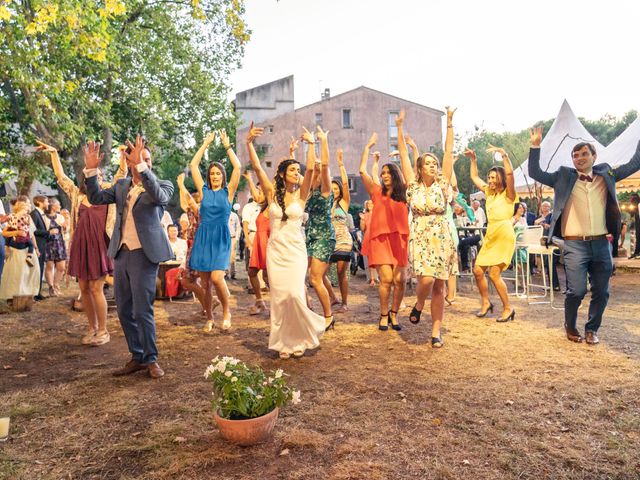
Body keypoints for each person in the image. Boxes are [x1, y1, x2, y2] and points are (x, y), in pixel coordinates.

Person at [528, 127, 640, 344]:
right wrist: (535, 146)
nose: (579, 158)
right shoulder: (563, 176)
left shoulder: (606, 173)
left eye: (584, 154)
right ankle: (570, 325)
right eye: (575, 155)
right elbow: (535, 173)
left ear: (594, 156)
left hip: (601, 243)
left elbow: (635, 163)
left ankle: (592, 329)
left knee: (602, 291)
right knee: (577, 290)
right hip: (574, 245)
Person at [84, 136, 174, 379]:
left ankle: (151, 359)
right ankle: (138, 357)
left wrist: (142, 167)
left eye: (148, 160)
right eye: (141, 159)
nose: (146, 163)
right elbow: (96, 198)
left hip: (145, 255)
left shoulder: (163, 185)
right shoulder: (122, 186)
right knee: (124, 309)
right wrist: (91, 170)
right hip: (121, 253)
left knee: (143, 309)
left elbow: (159, 198)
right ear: (129, 162)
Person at [246, 122, 325, 359]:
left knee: (294, 294)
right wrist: (248, 143)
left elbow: (311, 169)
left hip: (295, 251)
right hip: (275, 250)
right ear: (282, 174)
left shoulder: (302, 194)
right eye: (292, 170)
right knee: (279, 297)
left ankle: (300, 337)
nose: (296, 173)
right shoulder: (271, 192)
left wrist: (312, 144)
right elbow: (258, 167)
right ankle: (282, 343)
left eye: (297, 171)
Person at [37, 141, 122, 346]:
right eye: (95, 175)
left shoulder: (109, 193)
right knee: (83, 289)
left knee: (96, 288)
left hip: (99, 246)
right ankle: (91, 327)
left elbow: (121, 175)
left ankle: (103, 330)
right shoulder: (78, 195)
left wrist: (123, 156)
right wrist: (54, 154)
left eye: (101, 176)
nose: (99, 178)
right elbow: (61, 178)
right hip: (81, 245)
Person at [397, 108, 457, 347]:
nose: (433, 166)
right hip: (421, 236)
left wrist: (450, 122)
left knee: (440, 286)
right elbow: (402, 153)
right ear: (420, 168)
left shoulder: (443, 184)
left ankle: (435, 332)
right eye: (428, 163)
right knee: (427, 280)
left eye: (435, 163)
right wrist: (399, 127)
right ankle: (420, 303)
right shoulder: (412, 186)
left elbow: (449, 152)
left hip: (441, 236)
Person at [188, 130, 241, 332]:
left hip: (220, 238)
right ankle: (209, 317)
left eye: (218, 173)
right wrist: (205, 144)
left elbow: (237, 166)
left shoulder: (229, 192)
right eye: (212, 174)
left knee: (218, 278)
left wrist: (227, 146)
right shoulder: (205, 192)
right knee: (205, 284)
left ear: (223, 176)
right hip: (204, 237)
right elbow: (193, 165)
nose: (215, 176)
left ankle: (227, 311)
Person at [359, 132, 409, 332]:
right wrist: (367, 148)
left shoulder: (405, 192)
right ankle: (383, 314)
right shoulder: (376, 192)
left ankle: (394, 314)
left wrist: (406, 149)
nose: (384, 175)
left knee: (401, 280)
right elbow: (362, 171)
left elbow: (408, 172)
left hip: (399, 240)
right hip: (380, 240)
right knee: (386, 279)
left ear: (395, 175)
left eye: (388, 172)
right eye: (382, 173)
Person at [466, 144, 518, 323]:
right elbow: (474, 176)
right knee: (478, 271)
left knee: (494, 274)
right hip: (491, 234)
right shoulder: (489, 193)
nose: (490, 179)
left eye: (494, 177)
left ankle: (507, 308)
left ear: (501, 178)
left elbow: (511, 175)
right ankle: (486, 302)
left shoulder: (509, 195)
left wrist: (504, 156)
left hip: (504, 233)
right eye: (489, 177)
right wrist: (473, 160)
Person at [302, 126, 336, 330]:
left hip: (324, 237)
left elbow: (325, 165)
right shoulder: (307, 191)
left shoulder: (325, 189)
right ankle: (306, 310)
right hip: (309, 237)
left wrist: (321, 141)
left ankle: (328, 316)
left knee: (315, 278)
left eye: (316, 169)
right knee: (301, 276)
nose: (315, 170)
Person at [324, 148, 352, 313]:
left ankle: (344, 302)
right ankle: (333, 297)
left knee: (341, 272)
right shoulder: (326, 204)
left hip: (343, 241)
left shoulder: (344, 203)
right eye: (332, 188)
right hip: (328, 240)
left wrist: (341, 164)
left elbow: (346, 184)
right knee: (318, 273)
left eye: (336, 189)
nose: (334, 191)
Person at [0, 197, 42, 302]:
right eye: (25, 206)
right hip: (15, 249)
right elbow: (5, 232)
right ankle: (13, 296)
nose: (27, 209)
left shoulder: (28, 217)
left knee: (32, 272)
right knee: (16, 274)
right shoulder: (13, 218)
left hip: (27, 248)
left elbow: (31, 235)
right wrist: (16, 233)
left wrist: (36, 248)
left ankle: (28, 295)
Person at [243, 171, 270, 315]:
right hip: (259, 240)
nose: (258, 194)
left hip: (268, 241)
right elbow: (256, 196)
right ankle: (260, 301)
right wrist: (250, 180)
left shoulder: (272, 205)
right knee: (252, 272)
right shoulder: (261, 207)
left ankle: (282, 302)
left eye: (261, 191)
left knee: (267, 276)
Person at [534, 200, 561, 290]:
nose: (545, 208)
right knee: (548, 264)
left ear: (550, 207)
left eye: (546, 206)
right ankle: (553, 285)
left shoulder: (552, 216)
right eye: (543, 206)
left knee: (551, 263)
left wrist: (546, 225)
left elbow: (555, 227)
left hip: (550, 242)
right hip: (541, 242)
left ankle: (555, 285)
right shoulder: (539, 217)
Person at [43, 198, 67, 297]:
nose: (60, 206)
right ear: (53, 206)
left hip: (59, 244)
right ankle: (51, 287)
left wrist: (65, 227)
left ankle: (56, 285)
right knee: (49, 266)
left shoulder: (60, 217)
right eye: (59, 204)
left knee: (61, 267)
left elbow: (65, 231)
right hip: (48, 244)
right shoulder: (44, 217)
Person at [4, 196, 36, 267]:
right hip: (20, 245)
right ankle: (29, 257)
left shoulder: (13, 216)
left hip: (19, 239)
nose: (29, 205)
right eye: (28, 203)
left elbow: (32, 233)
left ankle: (6, 247)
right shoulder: (24, 215)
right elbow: (5, 232)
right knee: (31, 245)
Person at [30, 195, 49, 300]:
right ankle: (35, 293)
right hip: (37, 245)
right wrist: (48, 232)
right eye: (46, 201)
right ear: (39, 202)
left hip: (42, 245)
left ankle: (38, 292)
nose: (48, 204)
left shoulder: (39, 214)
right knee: (37, 269)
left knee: (41, 268)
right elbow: (33, 230)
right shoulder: (34, 214)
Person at [227, 208, 241, 279]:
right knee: (224, 256)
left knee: (232, 257)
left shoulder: (234, 215)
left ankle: (233, 274)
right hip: (223, 238)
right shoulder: (221, 214)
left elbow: (238, 227)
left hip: (232, 238)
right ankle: (225, 274)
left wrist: (237, 238)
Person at [629, 193, 640, 259]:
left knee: (638, 237)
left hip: (638, 223)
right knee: (638, 237)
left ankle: (637, 252)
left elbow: (631, 214)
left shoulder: (635, 204)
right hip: (638, 223)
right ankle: (637, 252)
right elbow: (632, 214)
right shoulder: (635, 205)